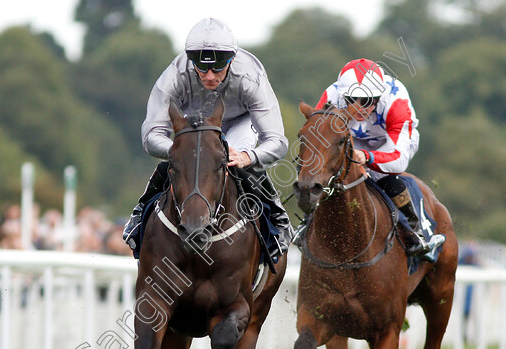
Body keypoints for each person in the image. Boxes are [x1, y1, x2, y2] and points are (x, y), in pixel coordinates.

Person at [123, 17, 292, 257]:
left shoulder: (250, 78)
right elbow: (151, 134)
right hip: (196, 121)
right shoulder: (174, 76)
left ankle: (276, 219)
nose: (210, 76)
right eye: (202, 68)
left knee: (236, 162)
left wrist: (247, 157)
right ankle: (141, 214)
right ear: (192, 62)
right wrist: (177, 151)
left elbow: (277, 141)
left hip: (241, 121)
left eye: (217, 68)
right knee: (180, 162)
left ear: (231, 60)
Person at [296, 58, 445, 259]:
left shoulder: (396, 102)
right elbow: (318, 139)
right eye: (352, 100)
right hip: (351, 139)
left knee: (380, 174)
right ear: (342, 96)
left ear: (378, 97)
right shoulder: (331, 97)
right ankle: (308, 221)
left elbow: (398, 159)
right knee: (327, 171)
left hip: (391, 142)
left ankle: (413, 228)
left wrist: (366, 157)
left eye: (366, 101)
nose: (359, 107)